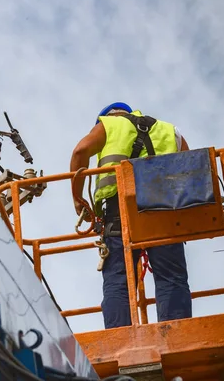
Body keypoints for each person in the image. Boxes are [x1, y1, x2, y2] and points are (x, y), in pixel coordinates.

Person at [69, 102, 192, 329]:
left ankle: (120, 337)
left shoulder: (109, 124)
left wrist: (77, 198)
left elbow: (80, 151)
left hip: (121, 214)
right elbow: (191, 170)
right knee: (172, 279)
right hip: (167, 212)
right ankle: (178, 333)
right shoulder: (169, 130)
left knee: (119, 280)